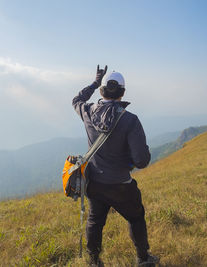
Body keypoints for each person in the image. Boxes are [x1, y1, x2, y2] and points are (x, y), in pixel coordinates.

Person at [72, 65, 159, 267]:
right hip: (121, 185)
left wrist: (94, 82)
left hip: (94, 183)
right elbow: (142, 161)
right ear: (123, 93)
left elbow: (76, 100)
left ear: (101, 91)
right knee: (136, 217)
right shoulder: (130, 120)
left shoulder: (87, 112)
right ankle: (143, 259)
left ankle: (94, 262)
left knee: (95, 221)